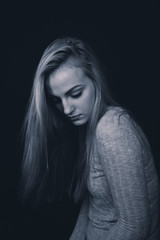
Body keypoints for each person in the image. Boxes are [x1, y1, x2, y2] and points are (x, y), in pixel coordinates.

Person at [21, 37, 160, 239]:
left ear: (95, 80)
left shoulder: (113, 130)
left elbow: (135, 228)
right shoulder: (89, 127)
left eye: (75, 93)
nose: (67, 109)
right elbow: (93, 203)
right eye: (57, 100)